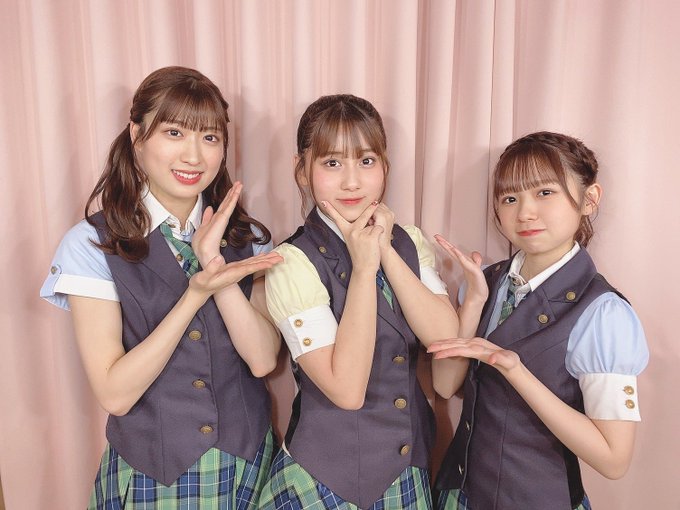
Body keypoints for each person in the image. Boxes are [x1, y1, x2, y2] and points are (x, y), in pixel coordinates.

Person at [40, 66, 283, 509]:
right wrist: (195, 294)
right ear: (137, 135)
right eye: (174, 133)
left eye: (209, 137)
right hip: (153, 473)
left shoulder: (248, 238)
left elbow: (263, 360)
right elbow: (115, 393)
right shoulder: (91, 244)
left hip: (247, 465)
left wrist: (214, 265)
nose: (194, 156)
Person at [258, 94, 460, 509]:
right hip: (326, 483)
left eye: (366, 161)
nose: (352, 182)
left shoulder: (408, 241)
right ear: (302, 171)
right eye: (332, 163)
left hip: (407, 472)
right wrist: (365, 269)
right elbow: (346, 391)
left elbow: (445, 337)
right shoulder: (292, 262)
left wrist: (384, 248)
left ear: (385, 166)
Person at [429, 132, 649, 510]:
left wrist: (516, 372)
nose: (525, 213)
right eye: (509, 198)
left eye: (545, 192)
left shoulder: (602, 314)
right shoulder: (485, 283)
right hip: (458, 493)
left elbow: (613, 460)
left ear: (589, 199)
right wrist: (475, 301)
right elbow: (446, 386)